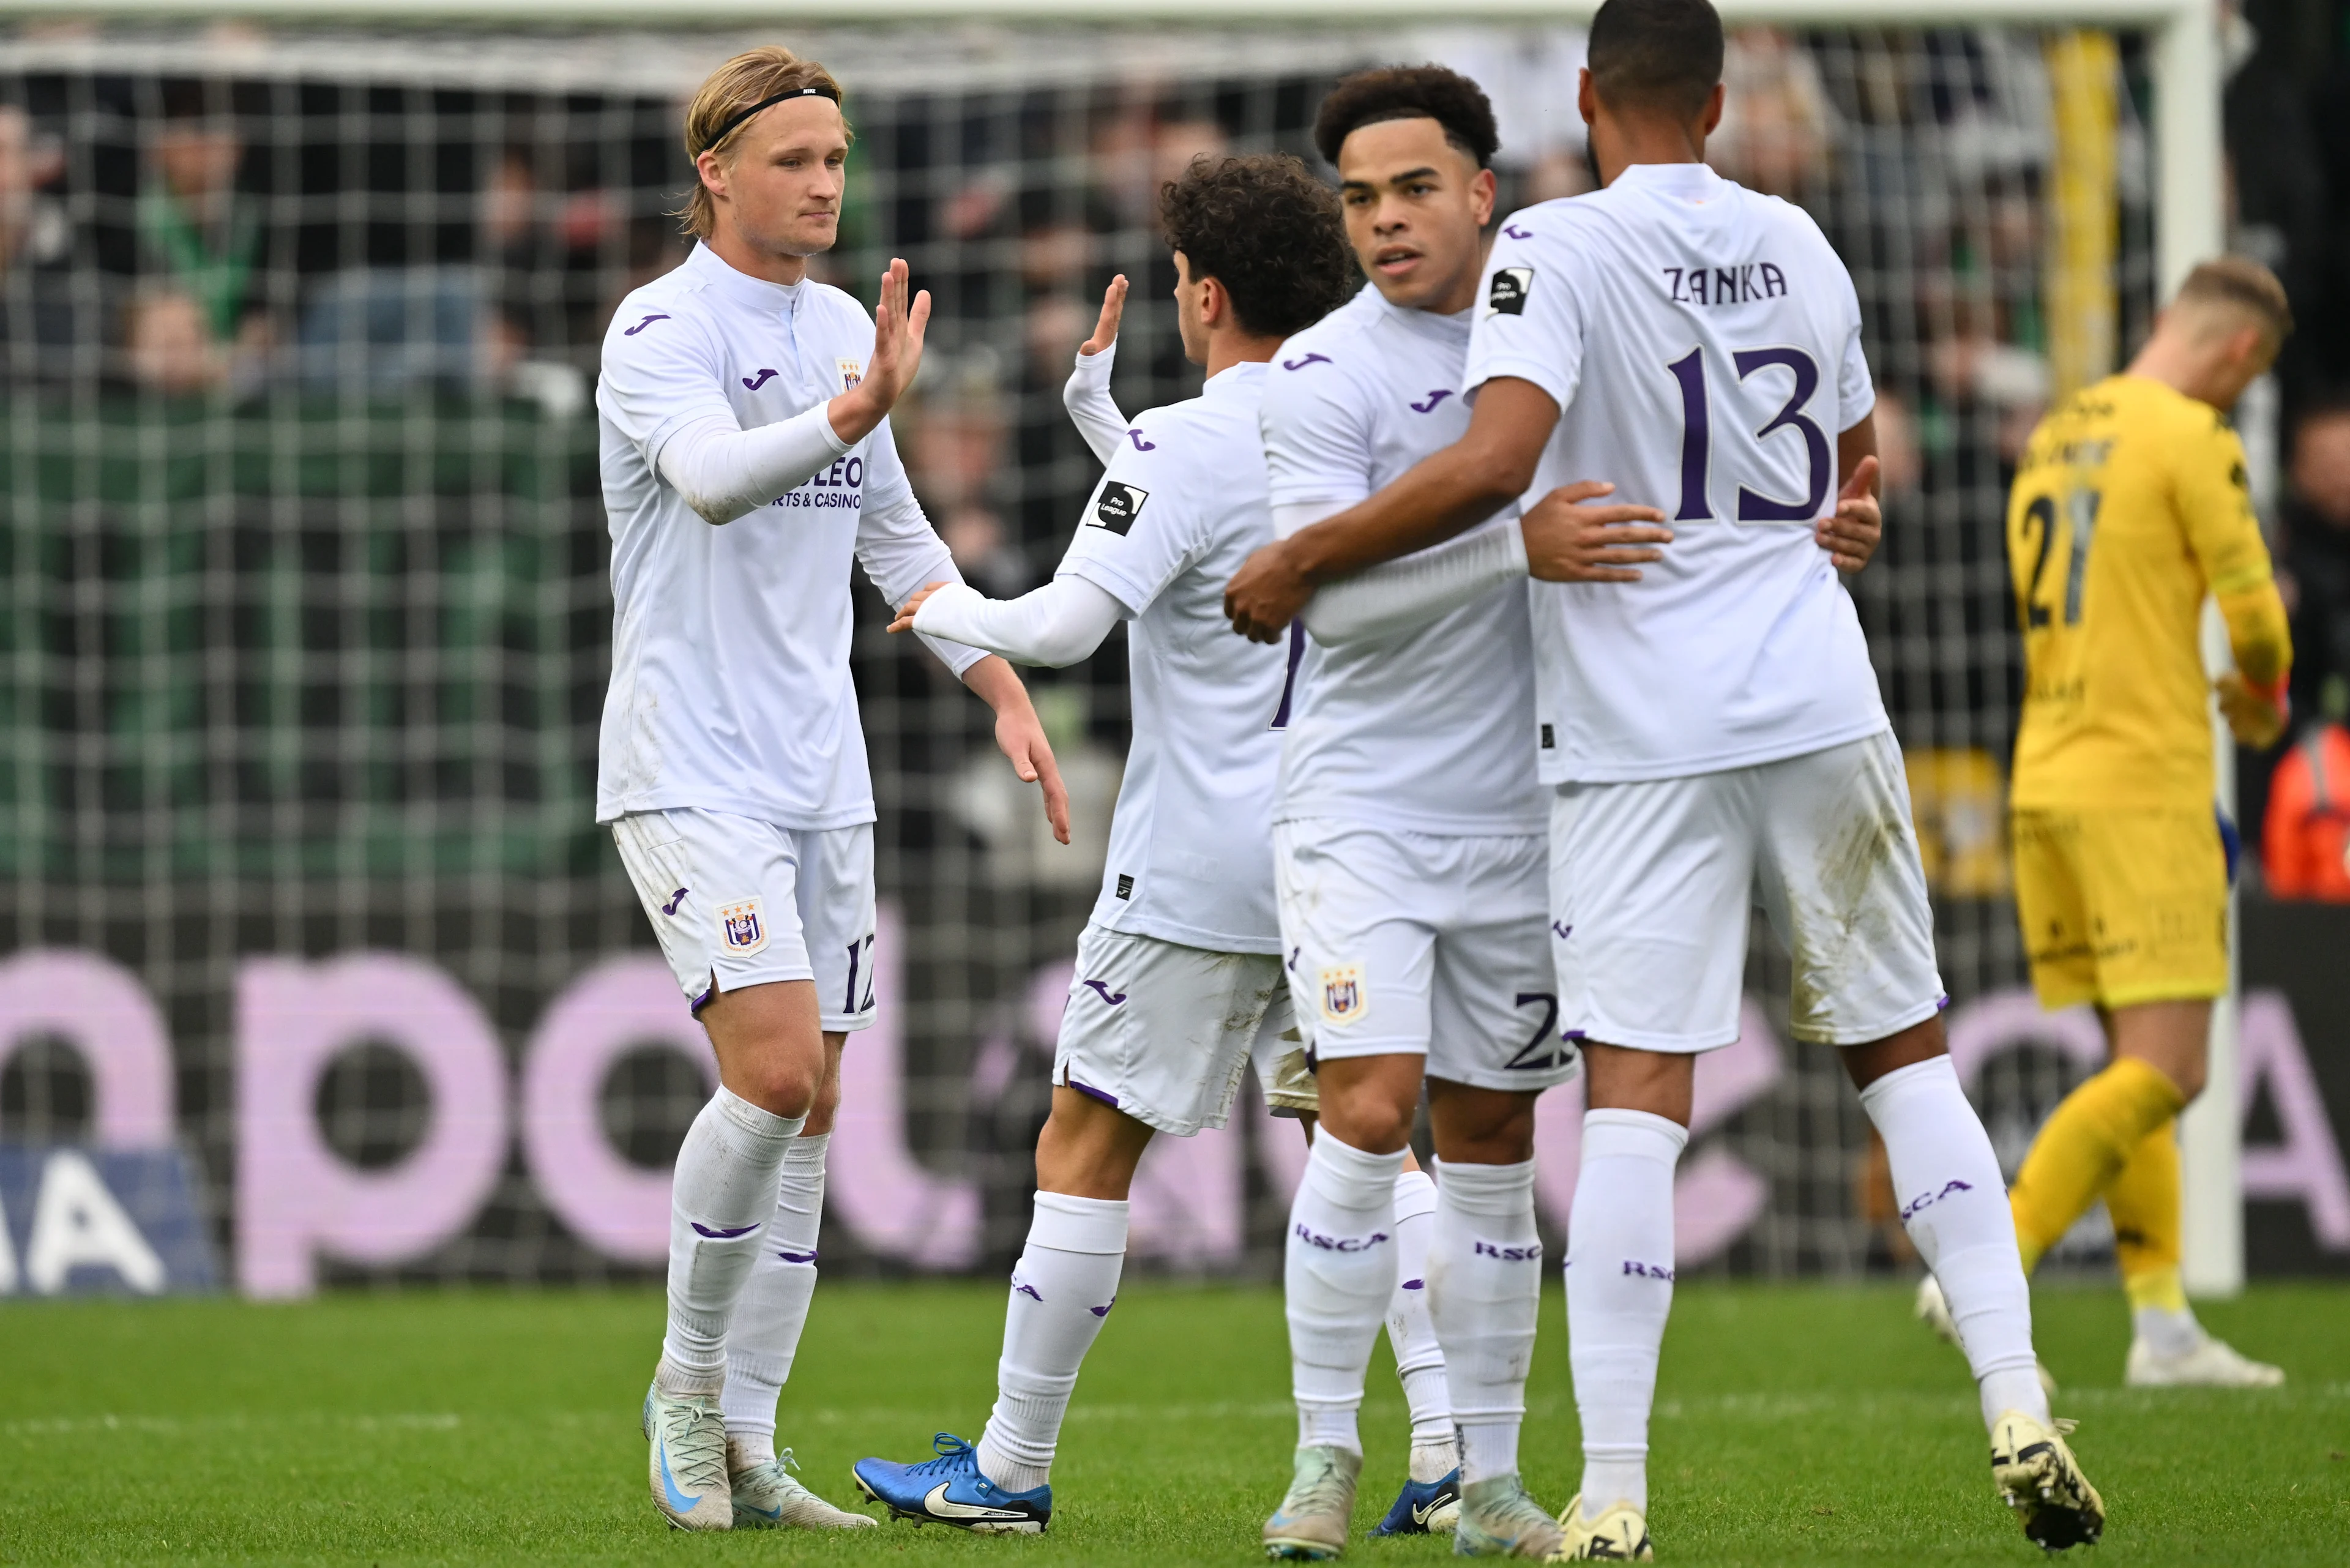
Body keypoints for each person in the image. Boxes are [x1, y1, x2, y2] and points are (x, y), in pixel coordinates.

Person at [1223, 0, 2098, 1556]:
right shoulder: (1804, 240)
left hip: (1643, 732)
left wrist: (1300, 556)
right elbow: (1857, 467)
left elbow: (1498, 466)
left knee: (1634, 1107)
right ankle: (2019, 1394)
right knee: (1907, 1061)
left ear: (1582, 98)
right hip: (1823, 700)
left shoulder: (1551, 251)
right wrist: (1835, 524)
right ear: (1717, 99)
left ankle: (1613, 1492)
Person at [845, 151, 1357, 1537]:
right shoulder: (1361, 431)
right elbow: (1213, 528)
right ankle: (1448, 1455)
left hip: (1196, 866)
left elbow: (1072, 624)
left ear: (1201, 294)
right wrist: (1108, 428)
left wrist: (947, 609)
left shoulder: (1183, 445)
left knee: (1082, 1143)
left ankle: (1007, 1471)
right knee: (1372, 1148)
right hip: (1345, 851)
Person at [595, 45, 1067, 1533]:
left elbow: (903, 547)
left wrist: (1000, 686)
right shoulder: (657, 327)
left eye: (839, 160)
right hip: (686, 763)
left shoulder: (845, 330)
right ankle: (681, 1382)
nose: (823, 184)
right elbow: (713, 479)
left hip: (822, 778)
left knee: (815, 1117)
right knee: (776, 1073)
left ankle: (749, 1441)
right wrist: (859, 411)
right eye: (795, 159)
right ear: (715, 171)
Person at [1938, 257, 2295, 1387]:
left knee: (2128, 1061)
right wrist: (2261, 700)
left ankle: (2164, 1324)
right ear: (2240, 354)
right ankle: (1989, 1263)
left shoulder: (2052, 434)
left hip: (2043, 780)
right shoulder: (2192, 435)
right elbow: (2259, 621)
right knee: (2175, 1068)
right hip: (2142, 780)